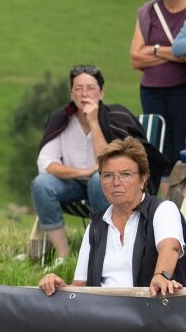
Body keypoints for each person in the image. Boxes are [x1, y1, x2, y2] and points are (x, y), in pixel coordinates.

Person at [31, 65, 169, 261]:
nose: (84, 94)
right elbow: (46, 164)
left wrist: (94, 122)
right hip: (72, 184)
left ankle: (102, 250)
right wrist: (83, 171)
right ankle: (63, 254)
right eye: (78, 88)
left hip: (110, 183)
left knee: (99, 179)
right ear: (71, 93)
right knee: (41, 184)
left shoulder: (116, 117)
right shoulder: (60, 119)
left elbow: (109, 163)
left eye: (90, 88)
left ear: (101, 92)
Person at [39, 137, 184, 297]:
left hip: (150, 313)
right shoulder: (95, 227)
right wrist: (58, 285)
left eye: (125, 174)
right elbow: (80, 286)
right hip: (103, 315)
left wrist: (161, 276)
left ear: (143, 179)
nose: (116, 182)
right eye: (107, 175)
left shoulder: (163, 210)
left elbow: (171, 247)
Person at [130, 0, 186, 177]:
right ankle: (157, 203)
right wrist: (173, 54)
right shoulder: (148, 11)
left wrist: (152, 49)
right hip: (151, 91)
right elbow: (135, 57)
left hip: (182, 89)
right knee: (155, 147)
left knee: (180, 146)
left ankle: (180, 201)